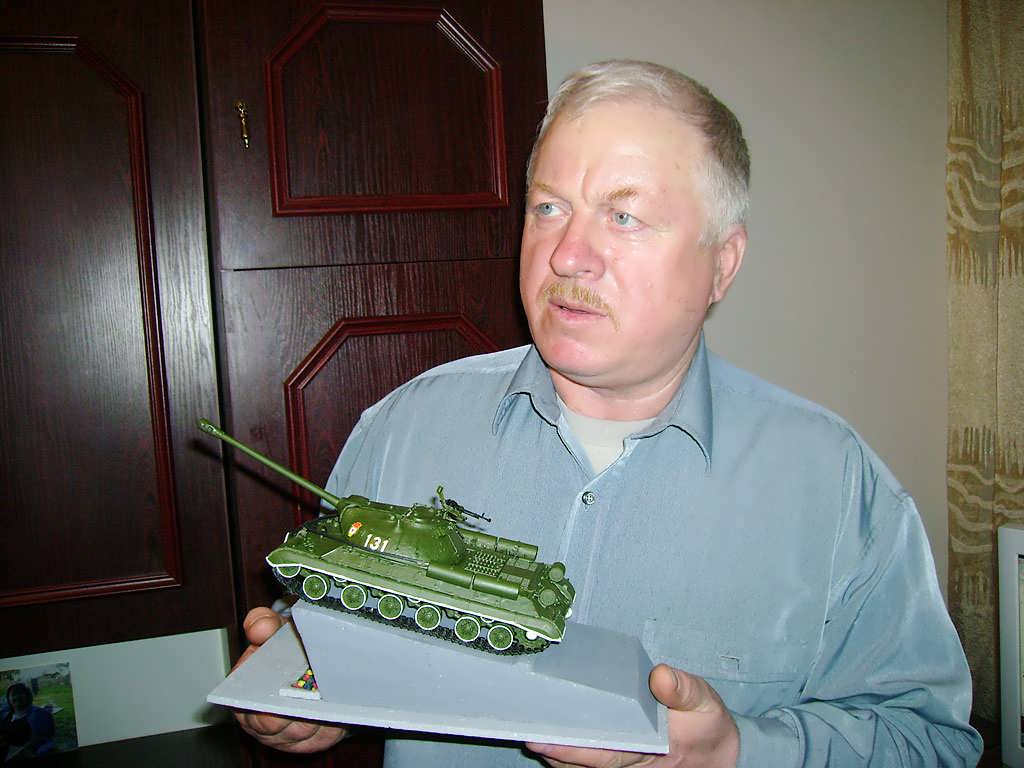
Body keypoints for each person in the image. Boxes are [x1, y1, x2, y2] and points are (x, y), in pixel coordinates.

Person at [234, 60, 983, 767]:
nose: (567, 254)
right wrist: (305, 693)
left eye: (624, 216)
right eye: (548, 208)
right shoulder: (403, 428)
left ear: (722, 264)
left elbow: (933, 742)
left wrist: (734, 752)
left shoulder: (834, 483)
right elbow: (317, 641)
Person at [0, 683, 55, 761]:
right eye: (14, 694)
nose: (17, 697)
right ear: (8, 698)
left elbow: (47, 740)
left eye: (21, 693)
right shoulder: (4, 714)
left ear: (27, 696)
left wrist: (34, 753)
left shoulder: (39, 715)